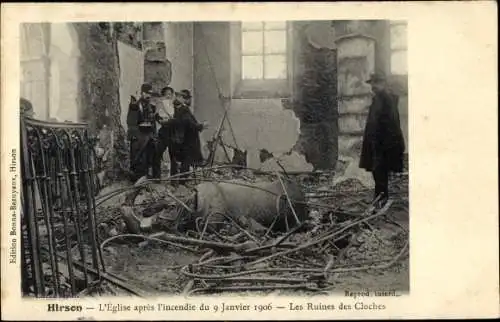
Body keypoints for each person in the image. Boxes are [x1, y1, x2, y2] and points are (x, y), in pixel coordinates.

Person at [359, 72, 405, 208]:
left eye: (376, 83)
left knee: (380, 171)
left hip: (382, 143)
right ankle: (379, 197)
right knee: (377, 171)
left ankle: (382, 198)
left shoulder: (385, 98)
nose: (373, 86)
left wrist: (382, 142)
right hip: (376, 142)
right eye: (372, 83)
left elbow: (389, 123)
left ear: (383, 84)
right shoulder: (379, 98)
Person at [162, 89, 207, 183]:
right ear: (182, 99)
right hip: (185, 141)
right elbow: (190, 124)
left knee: (177, 162)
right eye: (186, 98)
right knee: (186, 161)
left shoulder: (175, 108)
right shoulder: (183, 110)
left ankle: (175, 182)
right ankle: (183, 182)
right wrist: (202, 126)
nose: (188, 100)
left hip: (176, 140)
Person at [127, 83, 162, 181]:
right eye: (147, 93)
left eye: (150, 94)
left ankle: (147, 179)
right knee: (138, 158)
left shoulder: (150, 106)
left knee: (150, 157)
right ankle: (137, 181)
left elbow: (153, 119)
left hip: (149, 135)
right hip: (139, 136)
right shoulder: (135, 105)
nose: (149, 96)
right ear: (142, 93)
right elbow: (131, 121)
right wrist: (134, 135)